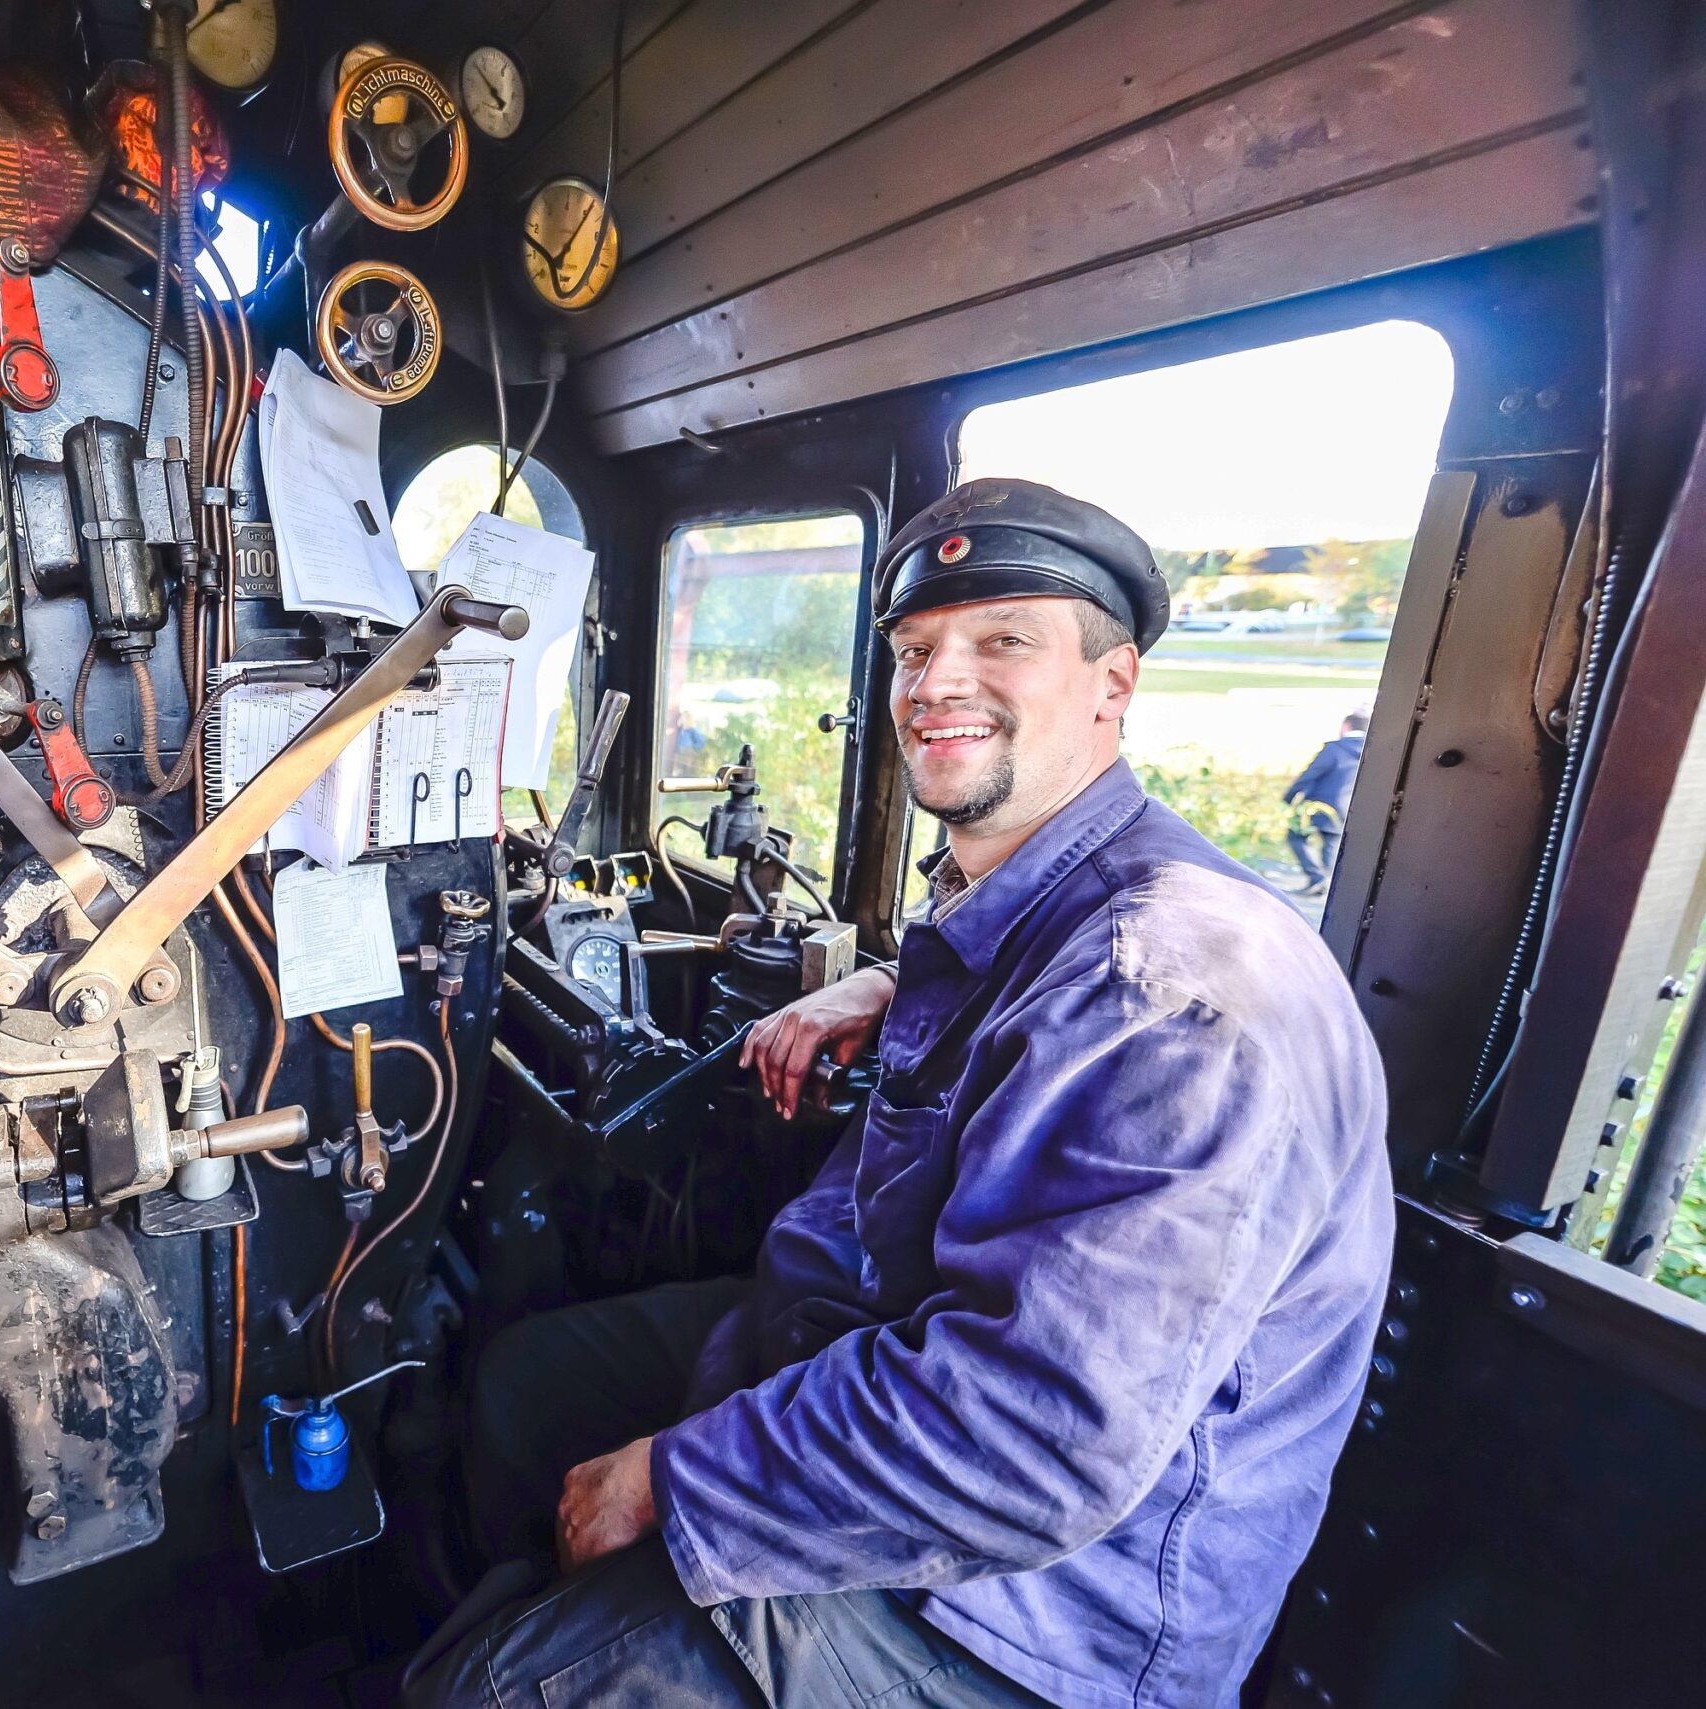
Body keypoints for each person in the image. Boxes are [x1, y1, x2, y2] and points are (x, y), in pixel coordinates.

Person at [407, 479, 1393, 1709]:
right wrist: (880, 978)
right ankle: (576, 1606)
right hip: (870, 1344)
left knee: (491, 1694)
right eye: (916, 648)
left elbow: (1032, 1436)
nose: (935, 681)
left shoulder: (1177, 1002)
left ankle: (560, 1637)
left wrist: (674, 1480)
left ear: (1113, 683)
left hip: (1030, 1610)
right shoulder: (1042, 891)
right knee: (524, 1387)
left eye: (1002, 641)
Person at [1283, 712, 1369, 891]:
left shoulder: (1335, 749)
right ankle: (1322, 883)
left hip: (1320, 805)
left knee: (1296, 837)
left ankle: (1317, 877)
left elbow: (1311, 774)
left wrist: (1290, 797)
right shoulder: (1372, 753)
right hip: (1350, 807)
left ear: (1346, 726)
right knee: (1331, 842)